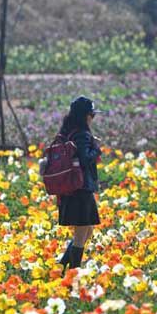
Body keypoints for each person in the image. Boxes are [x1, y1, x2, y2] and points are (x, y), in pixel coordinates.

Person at [57, 96, 102, 271]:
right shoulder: (82, 135)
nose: (93, 118)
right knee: (82, 232)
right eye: (92, 114)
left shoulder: (67, 131)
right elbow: (85, 159)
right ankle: (73, 272)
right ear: (85, 116)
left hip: (70, 188)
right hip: (80, 189)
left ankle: (61, 266)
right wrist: (96, 147)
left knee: (88, 229)